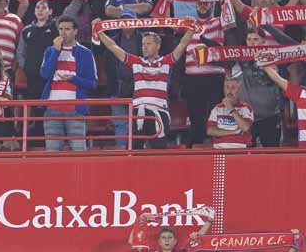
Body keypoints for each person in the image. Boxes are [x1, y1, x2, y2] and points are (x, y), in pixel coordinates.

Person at [97, 27, 194, 149]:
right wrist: (99, 31)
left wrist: (191, 28)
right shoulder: (136, 62)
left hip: (159, 113)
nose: (145, 47)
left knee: (159, 152)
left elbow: (183, 44)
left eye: (148, 43)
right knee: (134, 151)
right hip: (139, 113)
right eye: (143, 44)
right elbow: (113, 47)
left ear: (158, 46)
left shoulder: (166, 62)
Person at [40, 16, 96, 152]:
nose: (63, 33)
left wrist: (74, 79)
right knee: (52, 152)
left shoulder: (86, 53)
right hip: (52, 109)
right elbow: (45, 74)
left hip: (75, 110)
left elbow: (93, 84)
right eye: (60, 29)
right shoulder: (50, 51)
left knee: (79, 152)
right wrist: (55, 51)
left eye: (67, 29)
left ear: (75, 31)